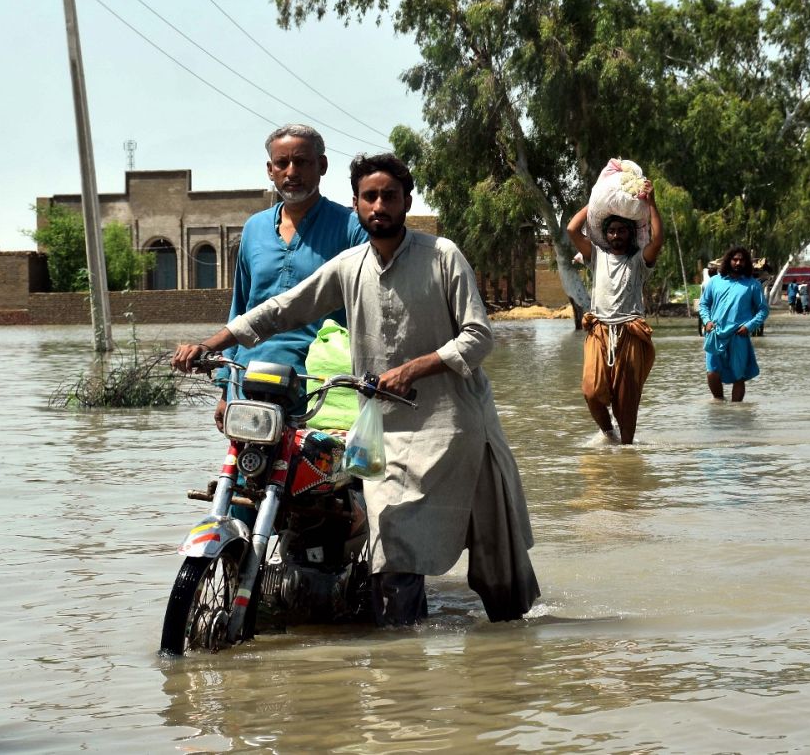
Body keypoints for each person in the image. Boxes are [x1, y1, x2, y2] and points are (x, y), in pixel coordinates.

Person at [173, 153, 540, 626]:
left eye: (390, 195)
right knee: (393, 551)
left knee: (495, 562)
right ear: (356, 204)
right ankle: (401, 664)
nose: (380, 205)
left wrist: (415, 369)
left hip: (456, 427)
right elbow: (282, 308)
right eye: (370, 196)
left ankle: (510, 659)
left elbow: (478, 336)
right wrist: (212, 343)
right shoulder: (349, 266)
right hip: (385, 433)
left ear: (407, 201)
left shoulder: (443, 256)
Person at [215, 123, 369, 430]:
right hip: (250, 382)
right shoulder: (253, 229)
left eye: (302, 162)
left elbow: (369, 310)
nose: (291, 172)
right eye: (282, 164)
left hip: (321, 387)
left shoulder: (351, 227)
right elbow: (241, 307)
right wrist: (224, 388)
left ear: (322, 166)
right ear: (270, 170)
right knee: (243, 472)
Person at [565, 183, 665, 444]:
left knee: (626, 400)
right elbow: (571, 229)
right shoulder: (596, 256)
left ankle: (626, 452)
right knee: (590, 389)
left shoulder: (639, 260)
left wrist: (651, 203)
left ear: (630, 234)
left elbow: (658, 240)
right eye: (611, 231)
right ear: (605, 235)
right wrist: (597, 201)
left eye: (621, 231)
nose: (616, 235)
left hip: (630, 332)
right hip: (599, 330)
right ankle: (608, 434)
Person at [698, 246, 769, 402]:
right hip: (715, 333)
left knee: (739, 376)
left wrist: (749, 326)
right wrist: (707, 321)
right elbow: (703, 304)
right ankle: (718, 404)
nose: (738, 263)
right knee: (712, 372)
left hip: (739, 334)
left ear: (746, 263)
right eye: (735, 259)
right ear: (728, 261)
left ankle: (738, 413)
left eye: (741, 260)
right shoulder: (715, 282)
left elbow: (763, 310)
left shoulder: (752, 285)